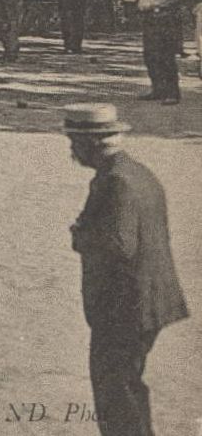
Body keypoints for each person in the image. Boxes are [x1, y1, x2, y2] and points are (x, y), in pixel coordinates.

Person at [63, 104, 188, 436]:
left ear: (92, 143)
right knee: (127, 385)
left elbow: (119, 243)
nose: (72, 152)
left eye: (75, 143)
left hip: (126, 305)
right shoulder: (137, 172)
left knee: (115, 389)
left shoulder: (116, 182)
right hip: (145, 301)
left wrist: (81, 235)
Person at [123, 0, 196, 104]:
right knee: (150, 56)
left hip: (163, 19)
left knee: (166, 56)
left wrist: (168, 3)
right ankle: (158, 89)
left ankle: (172, 93)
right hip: (150, 19)